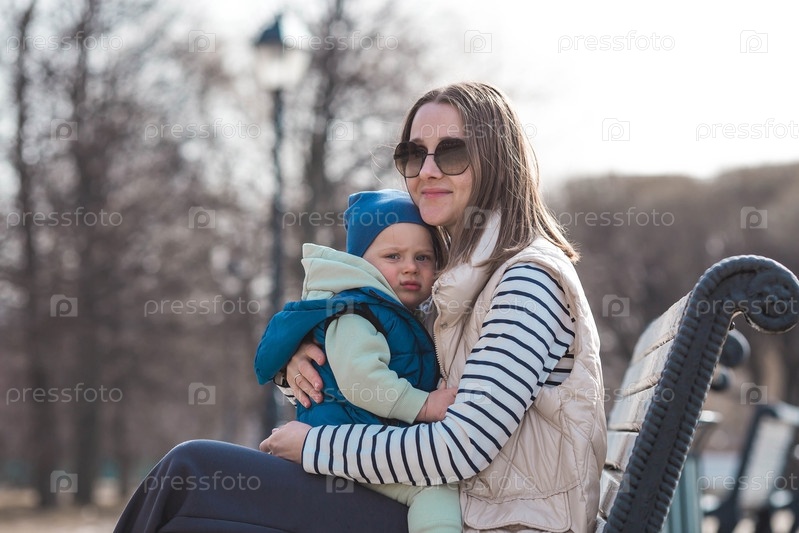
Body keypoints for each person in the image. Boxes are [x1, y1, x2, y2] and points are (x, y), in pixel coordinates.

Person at [113, 81, 606, 533]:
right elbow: (388, 364)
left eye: (451, 152)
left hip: (488, 521)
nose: (427, 170)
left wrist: (314, 447)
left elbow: (460, 448)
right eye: (413, 154)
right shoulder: (460, 280)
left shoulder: (526, 283)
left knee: (193, 474)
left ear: (497, 161)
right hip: (450, 508)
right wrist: (307, 361)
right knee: (192, 495)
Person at [254, 188, 461, 532]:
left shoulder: (397, 314)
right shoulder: (357, 313)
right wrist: (424, 406)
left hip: (359, 441)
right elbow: (362, 380)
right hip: (341, 443)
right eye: (393, 256)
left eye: (423, 257)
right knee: (433, 488)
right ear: (361, 264)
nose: (410, 267)